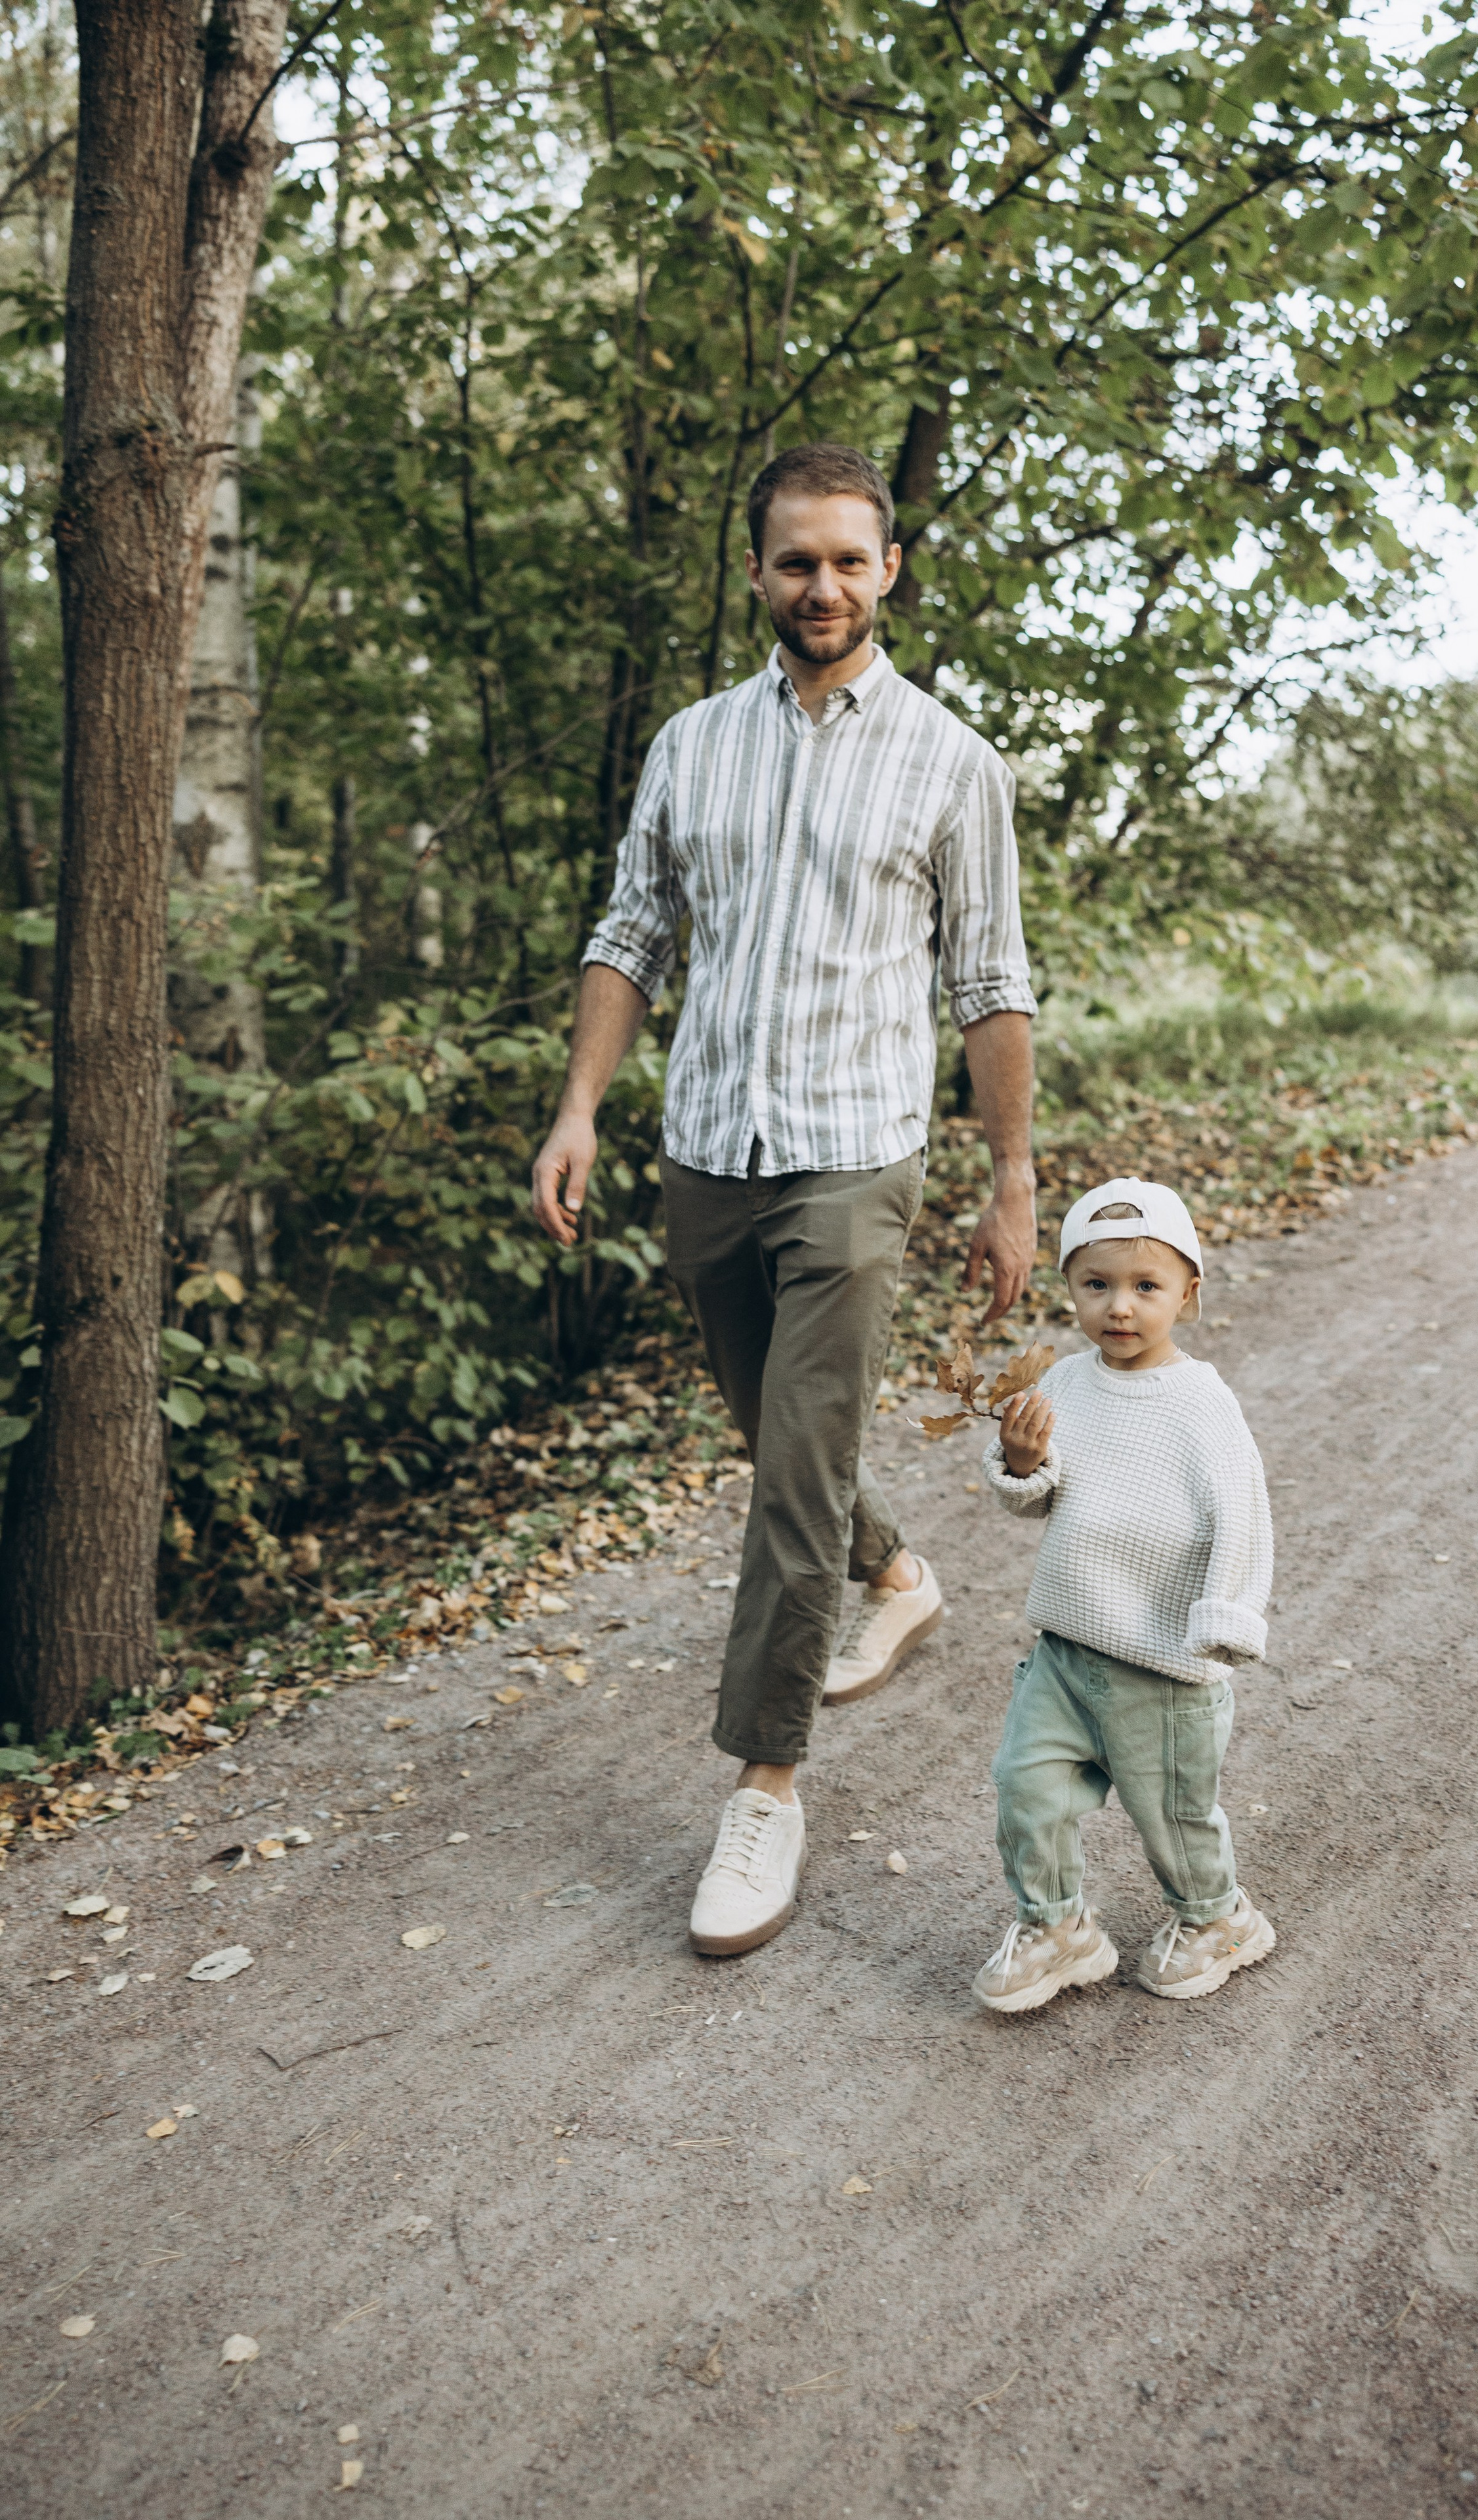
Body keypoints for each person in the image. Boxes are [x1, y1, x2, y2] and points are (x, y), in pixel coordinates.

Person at [530, 442, 1038, 1956]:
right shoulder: (690, 746)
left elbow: (989, 980)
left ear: (888, 571)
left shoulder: (951, 761)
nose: (820, 585)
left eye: (846, 559)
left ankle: (762, 1785)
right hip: (707, 1150)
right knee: (774, 1432)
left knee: (794, 1461)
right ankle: (896, 1569)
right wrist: (575, 1107)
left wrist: (1009, 1178)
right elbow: (630, 932)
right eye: (792, 560)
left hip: (858, 1151)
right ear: (754, 574)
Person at [972, 1179, 1276, 2012]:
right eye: (1096, 1284)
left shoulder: (1203, 1404)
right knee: (1024, 1786)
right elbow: (1034, 1497)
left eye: (1147, 1287)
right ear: (1069, 1285)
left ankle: (1217, 1918)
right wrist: (1024, 1462)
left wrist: (1222, 1623)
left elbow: (1243, 1515)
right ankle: (1056, 1925)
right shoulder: (1065, 1385)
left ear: (1189, 1293)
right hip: (1067, 1650)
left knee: (1172, 1817)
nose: (1120, 1307)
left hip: (1163, 1667)